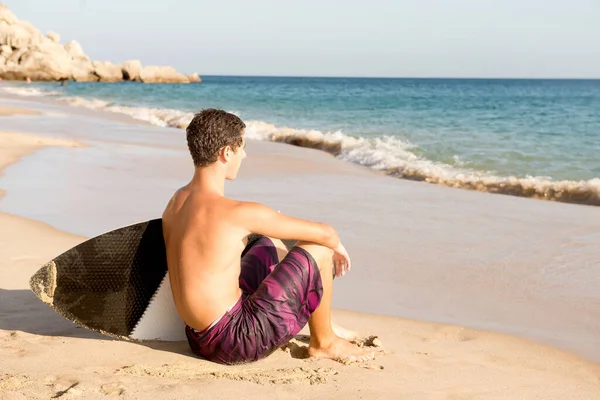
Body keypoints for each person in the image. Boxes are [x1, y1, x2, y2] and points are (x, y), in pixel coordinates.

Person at [162, 109, 377, 365]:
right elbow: (325, 233)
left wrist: (266, 226)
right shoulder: (237, 212)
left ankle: (321, 317)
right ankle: (324, 342)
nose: (244, 154)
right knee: (318, 249)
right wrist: (335, 247)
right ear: (226, 152)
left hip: (198, 338)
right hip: (237, 341)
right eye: (241, 147)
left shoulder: (175, 202)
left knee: (266, 244)